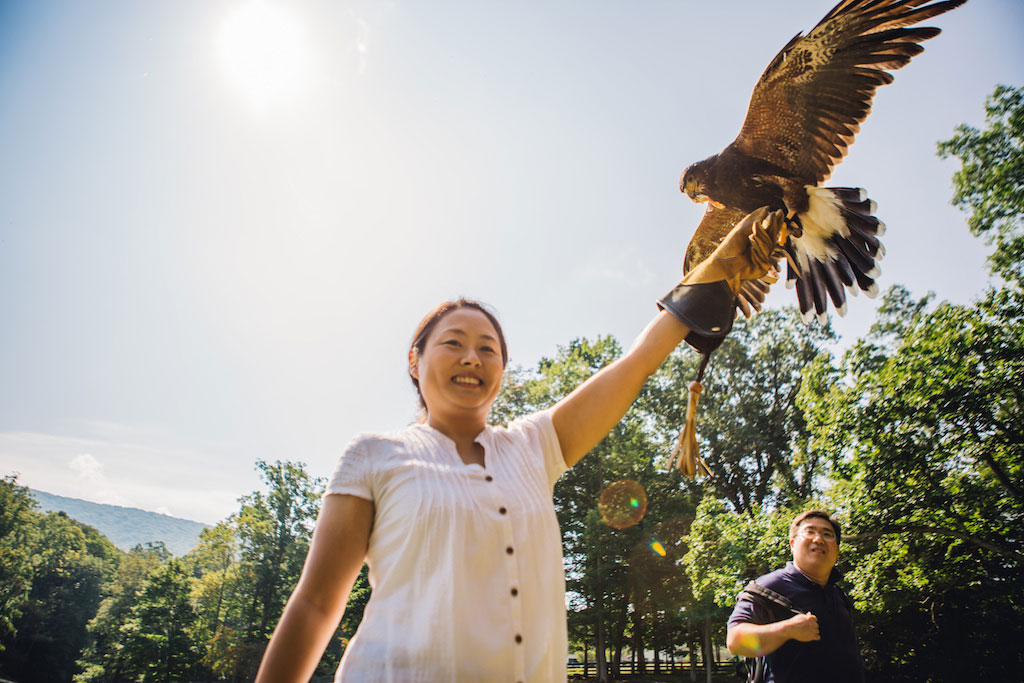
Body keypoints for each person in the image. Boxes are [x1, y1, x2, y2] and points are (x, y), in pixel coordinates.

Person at [255, 207, 786, 682]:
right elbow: (318, 604)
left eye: (488, 348)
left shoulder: (533, 446)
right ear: (415, 362)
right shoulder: (374, 455)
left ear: (503, 372)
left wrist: (717, 266)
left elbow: (636, 363)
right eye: (453, 344)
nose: (472, 357)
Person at [726, 510, 864, 683]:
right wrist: (788, 629)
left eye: (827, 534)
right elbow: (735, 641)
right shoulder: (769, 587)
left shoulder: (838, 594)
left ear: (836, 549)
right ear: (792, 544)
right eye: (810, 532)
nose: (818, 539)